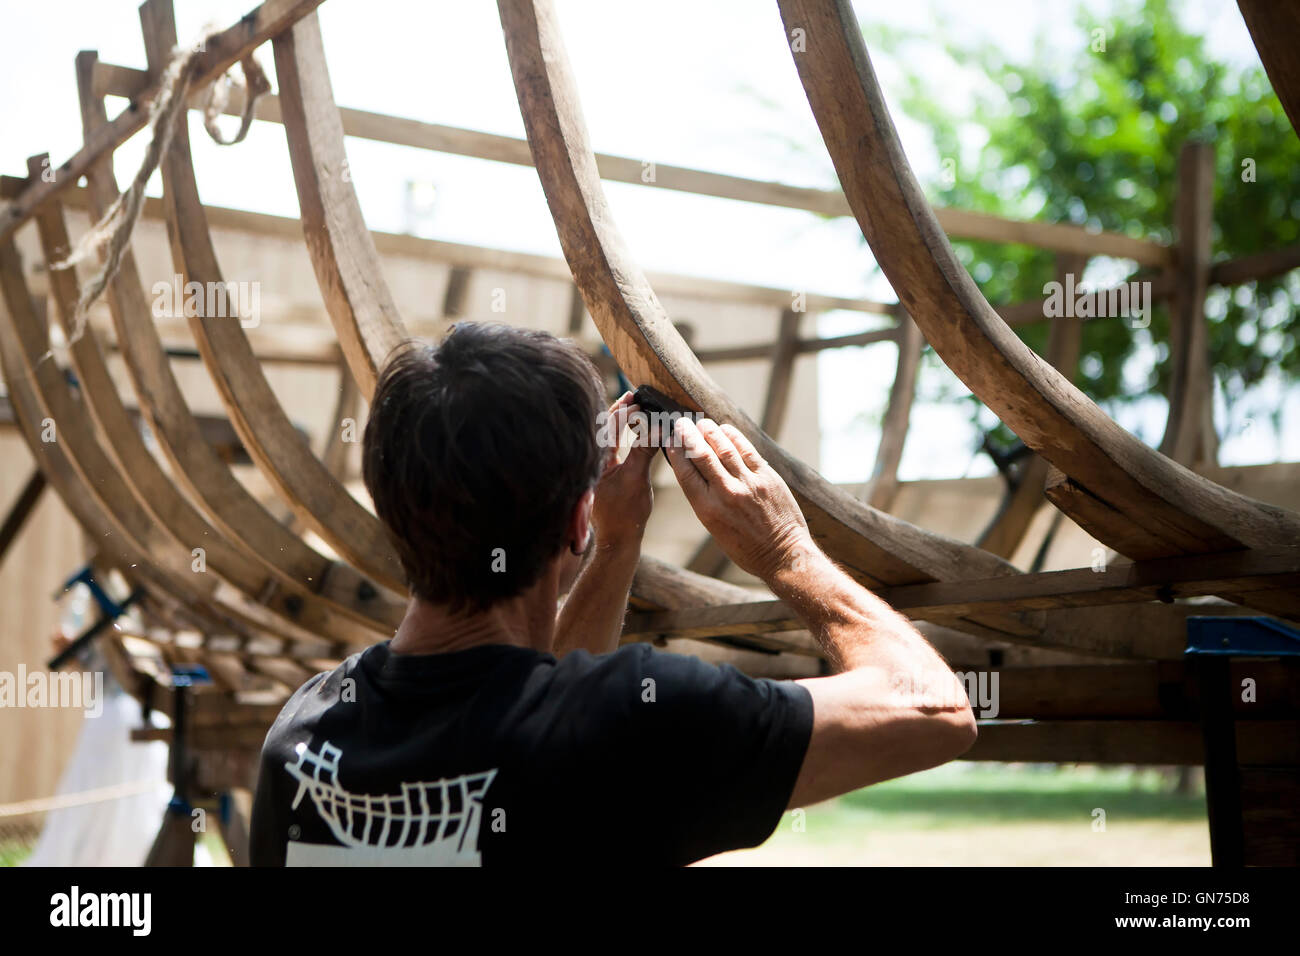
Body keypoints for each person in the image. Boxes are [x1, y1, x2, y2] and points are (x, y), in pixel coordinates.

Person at [249, 322, 975, 866]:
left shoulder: (302, 737)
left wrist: (617, 541)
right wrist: (787, 554)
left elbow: (532, 709)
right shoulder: (635, 721)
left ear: (386, 502)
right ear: (574, 518)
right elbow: (933, 708)